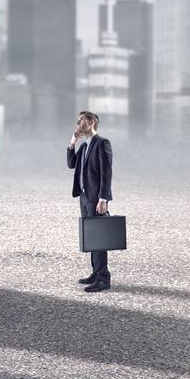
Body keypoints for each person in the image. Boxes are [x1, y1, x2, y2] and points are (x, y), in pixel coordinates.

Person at [68, 110, 115, 291]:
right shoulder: (85, 146)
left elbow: (106, 173)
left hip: (96, 199)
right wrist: (73, 141)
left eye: (82, 120)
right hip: (84, 197)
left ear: (93, 122)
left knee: (100, 238)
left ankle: (103, 279)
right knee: (92, 237)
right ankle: (96, 272)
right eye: (77, 120)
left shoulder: (102, 143)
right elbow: (71, 164)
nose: (78, 123)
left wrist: (103, 198)